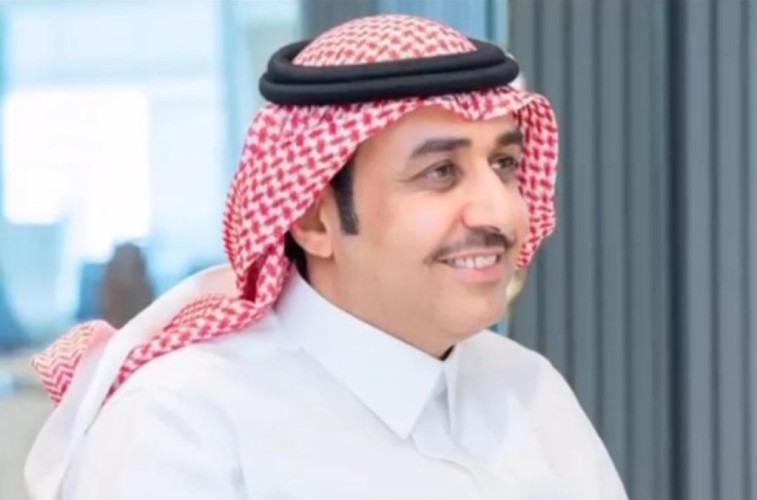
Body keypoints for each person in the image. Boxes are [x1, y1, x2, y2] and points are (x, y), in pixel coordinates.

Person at [25, 15, 628, 500]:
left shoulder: (530, 389)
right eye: (440, 172)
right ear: (314, 219)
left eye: (504, 164)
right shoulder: (180, 428)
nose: (499, 211)